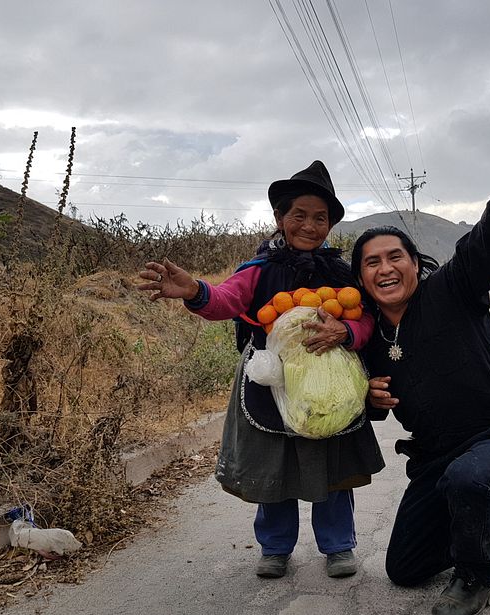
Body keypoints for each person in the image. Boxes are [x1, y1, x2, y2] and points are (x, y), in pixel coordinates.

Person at [353, 91, 490, 615]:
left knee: (473, 479)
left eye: (394, 256)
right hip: (435, 460)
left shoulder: (455, 288)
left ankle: (476, 575)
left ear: (415, 263)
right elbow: (366, 408)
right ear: (361, 278)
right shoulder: (366, 338)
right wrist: (370, 399)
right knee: (404, 570)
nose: (384, 268)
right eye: (371, 262)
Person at [137, 161, 384, 579]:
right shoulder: (259, 269)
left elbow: (366, 321)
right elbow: (226, 300)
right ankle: (275, 548)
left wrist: (346, 331)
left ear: (329, 224)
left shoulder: (343, 274)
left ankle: (339, 546)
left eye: (319, 218)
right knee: (276, 469)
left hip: (330, 389)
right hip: (271, 386)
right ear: (280, 219)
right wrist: (195, 291)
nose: (309, 225)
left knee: (332, 467)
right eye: (299, 216)